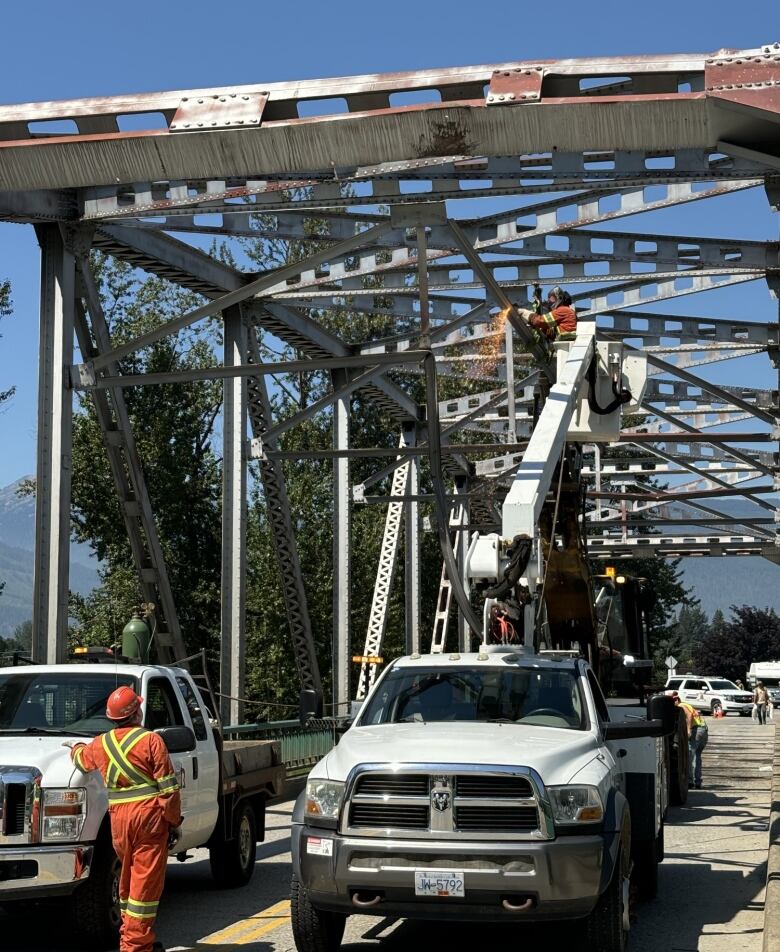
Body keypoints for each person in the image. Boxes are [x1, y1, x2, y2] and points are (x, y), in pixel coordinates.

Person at [67, 687, 182, 952]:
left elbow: (82, 761)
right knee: (145, 888)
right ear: (136, 712)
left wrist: (75, 748)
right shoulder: (151, 741)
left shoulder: (101, 743)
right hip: (149, 820)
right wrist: (173, 821)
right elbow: (169, 790)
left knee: (127, 883)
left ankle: (130, 939)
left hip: (119, 822)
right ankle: (136, 946)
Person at [668, 690, 708, 789]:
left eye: (671, 701)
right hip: (703, 730)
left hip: (696, 730)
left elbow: (689, 715)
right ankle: (698, 781)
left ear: (676, 700)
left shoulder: (681, 706)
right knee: (697, 757)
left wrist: (689, 730)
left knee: (689, 756)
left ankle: (690, 781)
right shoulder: (687, 704)